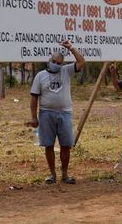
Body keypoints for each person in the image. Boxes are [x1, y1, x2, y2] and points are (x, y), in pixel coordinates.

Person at [28, 40, 85, 184]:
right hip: (46, 113)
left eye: (59, 63)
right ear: (49, 60)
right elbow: (34, 97)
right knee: (49, 145)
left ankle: (65, 175)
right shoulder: (40, 76)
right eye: (54, 61)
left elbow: (81, 61)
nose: (57, 64)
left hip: (65, 113)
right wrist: (34, 117)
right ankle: (52, 175)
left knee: (66, 145)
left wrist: (71, 47)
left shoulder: (66, 71)